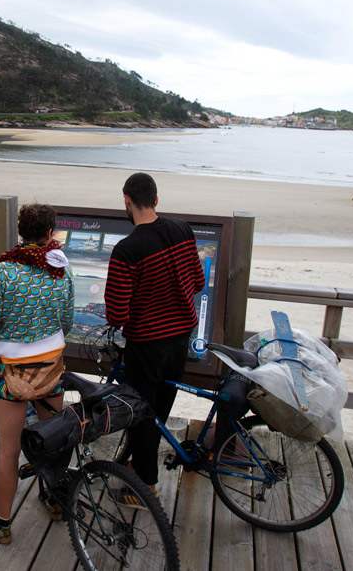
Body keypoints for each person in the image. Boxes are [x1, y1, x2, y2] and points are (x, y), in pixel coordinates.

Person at [0, 203, 74, 544]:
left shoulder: (5, 273)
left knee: (8, 450)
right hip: (51, 369)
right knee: (53, 441)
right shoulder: (60, 270)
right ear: (50, 233)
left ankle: (3, 523)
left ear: (20, 232)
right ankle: (53, 500)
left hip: (14, 375)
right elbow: (67, 322)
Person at [104, 172, 204, 505]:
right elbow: (199, 282)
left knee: (141, 414)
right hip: (181, 337)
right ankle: (138, 464)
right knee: (159, 409)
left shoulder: (127, 249)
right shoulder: (182, 229)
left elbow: (117, 315)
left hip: (146, 344)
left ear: (126, 201)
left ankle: (145, 486)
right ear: (156, 200)